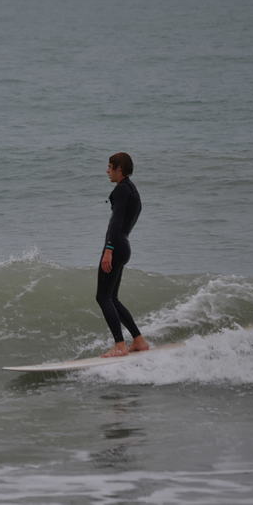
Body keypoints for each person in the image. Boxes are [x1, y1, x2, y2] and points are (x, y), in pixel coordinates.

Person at [96, 152, 149, 357]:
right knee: (112, 298)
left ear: (120, 169)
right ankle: (139, 340)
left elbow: (116, 222)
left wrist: (108, 250)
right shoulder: (132, 189)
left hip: (116, 246)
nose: (107, 171)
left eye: (110, 167)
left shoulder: (120, 191)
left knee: (102, 297)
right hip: (124, 245)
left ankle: (120, 345)